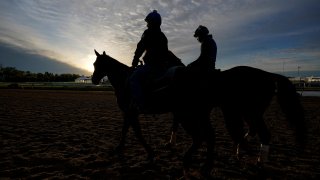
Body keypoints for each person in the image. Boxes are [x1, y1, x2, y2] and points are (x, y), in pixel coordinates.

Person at [130, 10, 169, 111]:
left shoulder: (148, 33)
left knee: (133, 78)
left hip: (152, 66)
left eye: (148, 22)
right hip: (163, 67)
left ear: (153, 23)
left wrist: (135, 60)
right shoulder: (163, 36)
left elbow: (140, 47)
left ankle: (140, 105)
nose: (147, 25)